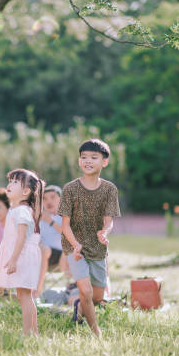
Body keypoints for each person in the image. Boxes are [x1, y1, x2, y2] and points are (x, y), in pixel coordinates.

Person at [58, 139, 121, 337]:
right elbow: (65, 224)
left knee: (97, 295)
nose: (88, 161)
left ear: (104, 162)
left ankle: (80, 308)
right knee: (85, 291)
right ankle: (95, 332)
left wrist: (105, 232)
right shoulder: (70, 189)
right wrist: (75, 244)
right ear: (79, 161)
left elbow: (108, 221)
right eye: (84, 157)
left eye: (94, 157)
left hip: (98, 248)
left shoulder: (110, 189)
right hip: (74, 247)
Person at [0, 169, 45, 335]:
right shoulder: (18, 210)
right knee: (24, 295)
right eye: (11, 180)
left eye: (15, 182)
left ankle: (29, 332)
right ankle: (32, 331)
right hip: (22, 255)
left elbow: (22, 237)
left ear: (26, 191)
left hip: (23, 257)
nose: (10, 184)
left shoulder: (21, 211)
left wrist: (13, 259)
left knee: (25, 296)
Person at [36, 185, 69, 297]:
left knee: (44, 250)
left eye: (52, 197)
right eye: (44, 199)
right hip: (39, 252)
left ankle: (37, 292)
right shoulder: (39, 218)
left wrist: (50, 221)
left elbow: (69, 235)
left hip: (60, 256)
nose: (48, 201)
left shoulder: (65, 216)